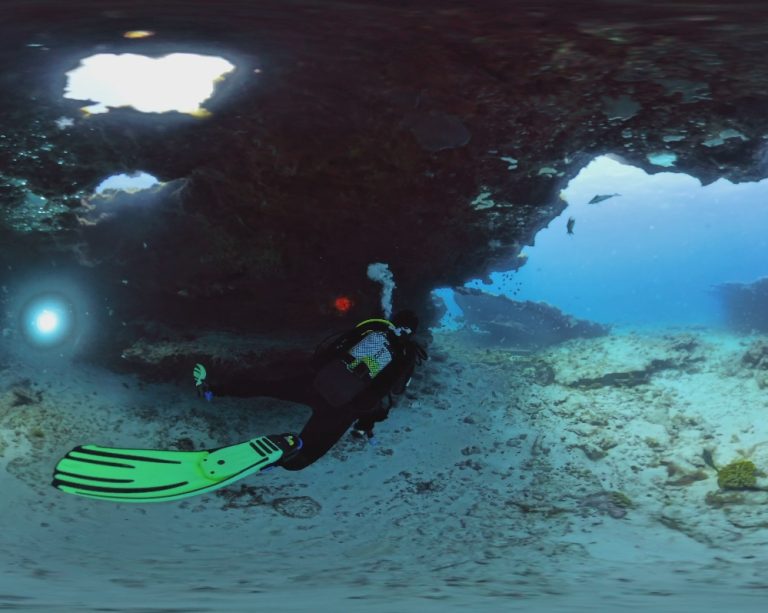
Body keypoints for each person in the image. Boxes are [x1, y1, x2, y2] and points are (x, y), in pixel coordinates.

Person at [195, 310, 428, 471]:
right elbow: (396, 390)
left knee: (268, 386)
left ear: (392, 319)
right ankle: (282, 462)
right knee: (313, 446)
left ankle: (215, 389)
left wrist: (319, 371)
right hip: (345, 407)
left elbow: (331, 348)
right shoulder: (407, 352)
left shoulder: (373, 329)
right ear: (413, 331)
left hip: (318, 382)